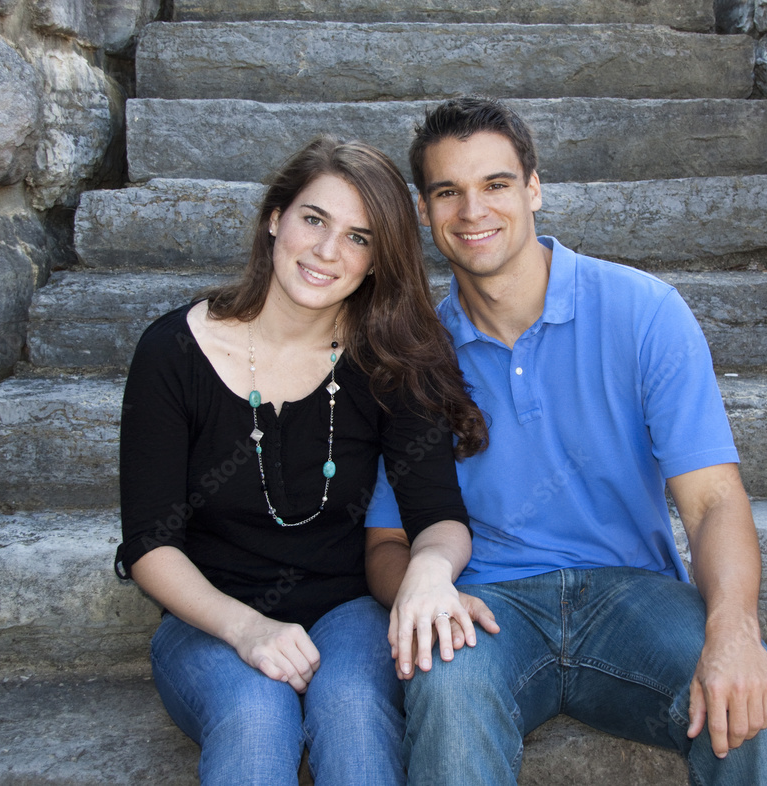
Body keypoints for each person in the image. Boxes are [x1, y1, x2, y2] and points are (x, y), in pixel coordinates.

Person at [364, 97, 767, 784]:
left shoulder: (643, 312)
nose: (472, 211)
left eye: (496, 184)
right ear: (423, 211)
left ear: (535, 188)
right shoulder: (415, 353)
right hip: (488, 607)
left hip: (632, 596)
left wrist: (734, 630)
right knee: (448, 689)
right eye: (448, 191)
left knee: (754, 691)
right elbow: (388, 544)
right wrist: (426, 599)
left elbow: (714, 501)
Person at [114, 136, 488, 785]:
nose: (326, 252)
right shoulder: (172, 352)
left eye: (358, 238)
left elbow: (440, 518)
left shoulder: (387, 360)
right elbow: (150, 544)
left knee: (350, 706)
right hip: (208, 616)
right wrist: (247, 629)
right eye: (314, 220)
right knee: (254, 714)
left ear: (376, 263)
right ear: (274, 218)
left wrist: (430, 570)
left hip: (348, 612)